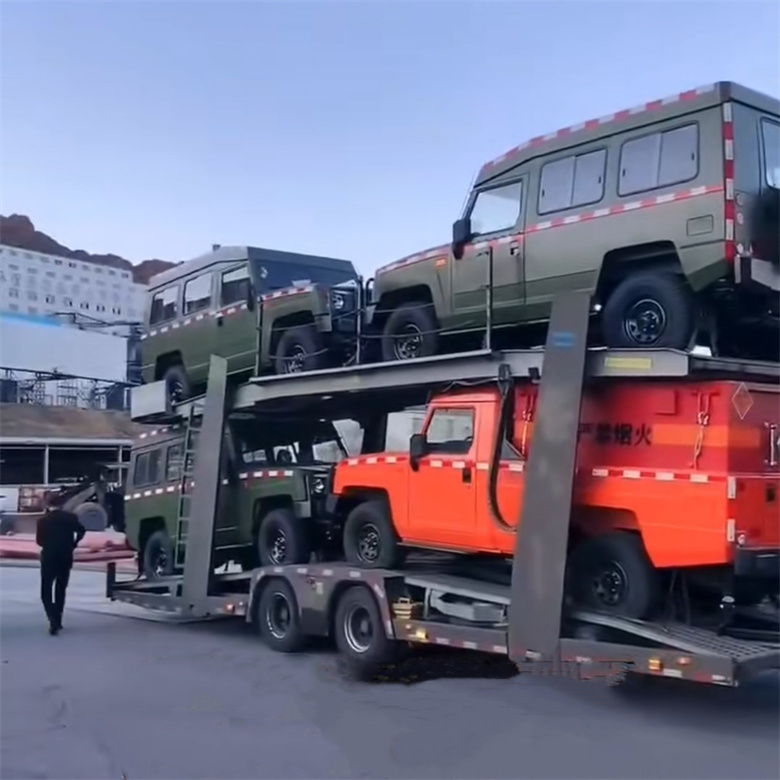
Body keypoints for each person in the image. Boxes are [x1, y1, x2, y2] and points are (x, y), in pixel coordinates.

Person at [35, 496, 86, 635]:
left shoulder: (43, 521)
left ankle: (52, 619)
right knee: (60, 588)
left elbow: (39, 541)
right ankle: (58, 618)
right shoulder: (71, 518)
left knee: (46, 590)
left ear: (48, 504)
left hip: (49, 557)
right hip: (65, 556)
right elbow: (82, 530)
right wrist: (73, 545)